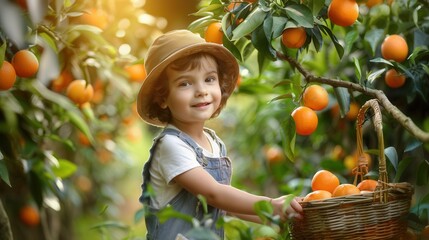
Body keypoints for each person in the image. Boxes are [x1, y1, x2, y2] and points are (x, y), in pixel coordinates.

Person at [136, 29, 303, 240]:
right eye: (184, 83)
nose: (201, 90)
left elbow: (222, 205)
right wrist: (271, 204)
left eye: (209, 79)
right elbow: (213, 193)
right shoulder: (169, 146)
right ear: (162, 98)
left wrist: (269, 216)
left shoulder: (214, 143)